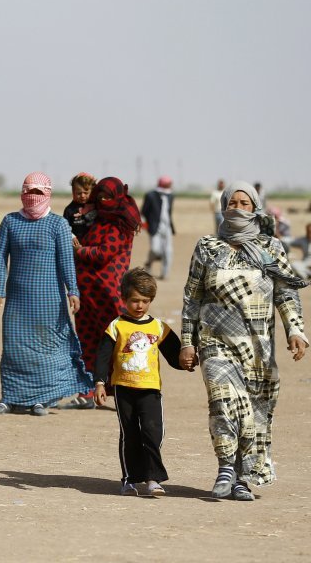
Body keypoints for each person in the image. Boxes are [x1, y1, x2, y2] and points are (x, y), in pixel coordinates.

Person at [180, 181, 308, 501]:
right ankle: (225, 467)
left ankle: (240, 476)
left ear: (255, 207)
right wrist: (187, 340)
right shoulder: (207, 246)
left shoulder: (271, 248)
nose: (238, 207)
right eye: (232, 202)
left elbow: (286, 293)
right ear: (223, 207)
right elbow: (192, 296)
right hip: (214, 339)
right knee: (223, 400)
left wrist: (295, 330)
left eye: (244, 203)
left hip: (257, 346)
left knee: (250, 411)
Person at [0, 172, 92, 416]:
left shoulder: (58, 224)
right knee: (14, 349)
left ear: (47, 194)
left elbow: (67, 262)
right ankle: (10, 398)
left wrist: (73, 292)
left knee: (47, 351)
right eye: (29, 191)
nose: (32, 196)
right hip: (17, 301)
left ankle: (41, 399)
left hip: (49, 302)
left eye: (38, 192)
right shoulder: (10, 221)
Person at [94, 268, 187, 496]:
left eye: (145, 301)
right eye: (135, 301)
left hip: (150, 389)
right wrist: (99, 383)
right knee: (129, 435)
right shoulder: (116, 326)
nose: (140, 306)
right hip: (124, 390)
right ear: (124, 299)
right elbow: (102, 357)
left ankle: (153, 479)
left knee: (152, 432)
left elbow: (175, 355)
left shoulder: (158, 327)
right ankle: (129, 480)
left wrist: (186, 361)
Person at [67, 176, 141, 409]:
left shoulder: (121, 224)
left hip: (109, 295)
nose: (104, 201)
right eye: (100, 197)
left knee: (116, 345)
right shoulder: (96, 219)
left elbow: (103, 254)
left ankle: (123, 393)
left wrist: (79, 250)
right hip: (87, 294)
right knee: (88, 342)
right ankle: (88, 391)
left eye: (109, 197)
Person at [141, 175, 175, 280]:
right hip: (154, 227)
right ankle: (149, 263)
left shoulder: (171, 195)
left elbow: (169, 212)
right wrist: (145, 225)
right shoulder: (150, 195)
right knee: (155, 250)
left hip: (167, 227)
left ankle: (165, 274)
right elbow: (143, 212)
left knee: (168, 251)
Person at [62, 171, 97, 245]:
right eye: (79, 193)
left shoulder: (96, 207)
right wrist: (71, 236)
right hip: (77, 246)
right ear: (73, 192)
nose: (82, 196)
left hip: (93, 245)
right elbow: (64, 228)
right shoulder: (69, 210)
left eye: (86, 193)